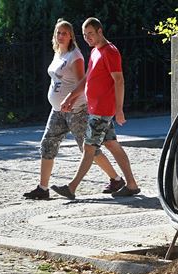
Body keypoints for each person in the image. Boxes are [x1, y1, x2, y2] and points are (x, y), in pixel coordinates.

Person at [23, 19, 126, 200]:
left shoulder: (76, 56)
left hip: (77, 111)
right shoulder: (59, 53)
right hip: (58, 110)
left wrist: (72, 100)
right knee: (48, 144)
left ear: (71, 36)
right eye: (58, 33)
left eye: (64, 33)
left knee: (90, 149)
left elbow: (84, 82)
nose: (61, 36)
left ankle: (116, 179)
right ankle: (43, 187)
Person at [51, 17, 139, 199]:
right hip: (96, 109)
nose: (87, 37)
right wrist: (70, 97)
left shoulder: (110, 52)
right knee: (112, 145)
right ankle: (131, 184)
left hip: (102, 110)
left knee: (88, 147)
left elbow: (119, 80)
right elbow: (87, 79)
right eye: (84, 35)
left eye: (90, 33)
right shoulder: (95, 52)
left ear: (100, 31)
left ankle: (72, 187)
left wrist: (119, 109)